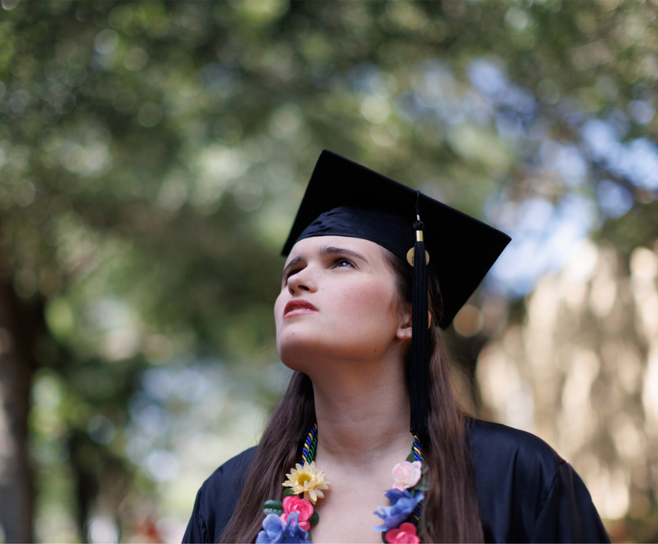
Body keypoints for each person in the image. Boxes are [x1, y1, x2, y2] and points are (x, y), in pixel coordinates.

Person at [182, 151, 609, 543]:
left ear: (410, 317)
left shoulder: (517, 476)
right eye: (292, 270)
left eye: (341, 262)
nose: (296, 280)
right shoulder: (227, 496)